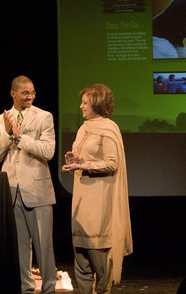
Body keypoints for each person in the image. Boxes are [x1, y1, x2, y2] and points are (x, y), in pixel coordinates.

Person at [62, 83, 133, 294]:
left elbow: (112, 164)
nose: (81, 107)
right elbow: (85, 157)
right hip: (82, 197)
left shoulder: (109, 128)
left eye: (85, 103)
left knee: (98, 260)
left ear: (97, 104)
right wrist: (74, 159)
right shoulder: (84, 128)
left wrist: (84, 165)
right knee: (81, 260)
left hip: (100, 200)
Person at [0, 75, 57, 294]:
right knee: (20, 247)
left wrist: (20, 138)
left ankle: (48, 289)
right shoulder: (0, 121)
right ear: (13, 94)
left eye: (33, 92)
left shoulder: (44, 117)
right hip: (11, 190)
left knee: (43, 246)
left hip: (37, 190)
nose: (30, 96)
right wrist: (8, 136)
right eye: (26, 93)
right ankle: (25, 289)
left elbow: (48, 151)